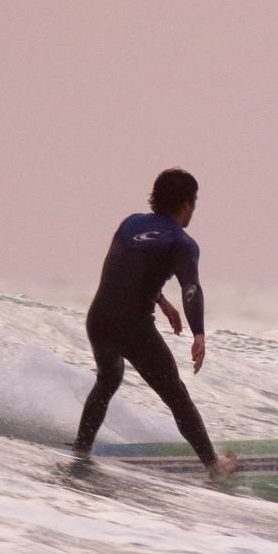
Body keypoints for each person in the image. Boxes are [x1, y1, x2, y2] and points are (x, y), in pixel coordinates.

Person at [73, 168, 238, 481]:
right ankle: (215, 467)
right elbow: (191, 288)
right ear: (187, 204)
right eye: (195, 201)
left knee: (108, 380)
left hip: (98, 320)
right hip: (133, 328)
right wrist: (199, 332)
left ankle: (81, 451)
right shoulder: (181, 242)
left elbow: (127, 270)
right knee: (176, 396)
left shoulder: (130, 224)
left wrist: (159, 300)